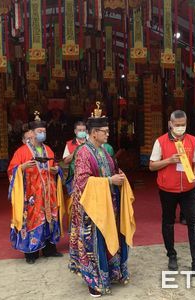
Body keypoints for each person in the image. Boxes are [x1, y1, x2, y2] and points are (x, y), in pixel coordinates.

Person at [69, 104, 135, 297]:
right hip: (92, 209)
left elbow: (112, 170)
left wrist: (118, 177)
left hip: (107, 205)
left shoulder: (104, 151)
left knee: (108, 240)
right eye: (105, 132)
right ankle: (94, 281)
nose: (108, 135)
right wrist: (108, 181)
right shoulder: (83, 153)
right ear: (94, 132)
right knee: (94, 244)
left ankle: (111, 273)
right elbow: (81, 182)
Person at [149, 110, 195, 275]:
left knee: (194, 224)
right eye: (177, 125)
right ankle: (171, 254)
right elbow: (152, 165)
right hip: (167, 189)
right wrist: (169, 161)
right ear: (170, 124)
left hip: (188, 189)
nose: (180, 128)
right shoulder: (161, 141)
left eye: (183, 125)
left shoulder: (192, 140)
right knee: (168, 222)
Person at [8, 112, 65, 264]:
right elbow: (11, 170)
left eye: (44, 132)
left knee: (50, 220)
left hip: (48, 193)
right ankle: (31, 253)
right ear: (32, 133)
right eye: (39, 132)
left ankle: (49, 249)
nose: (42, 134)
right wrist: (22, 167)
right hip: (31, 195)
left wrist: (56, 170)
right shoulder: (21, 151)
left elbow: (56, 166)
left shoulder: (48, 150)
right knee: (32, 220)